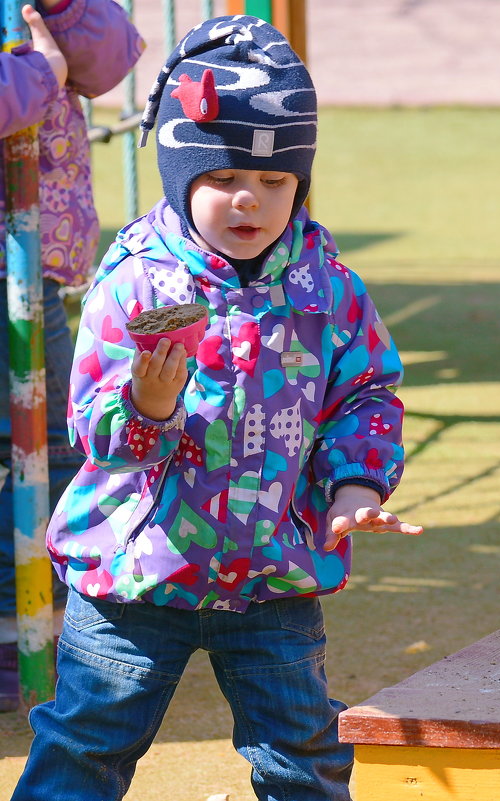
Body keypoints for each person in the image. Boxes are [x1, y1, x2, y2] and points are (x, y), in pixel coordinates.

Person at [12, 14, 422, 801]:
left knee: (304, 755)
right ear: (180, 174)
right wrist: (148, 404)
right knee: (85, 746)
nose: (250, 201)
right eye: (225, 177)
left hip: (273, 573)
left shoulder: (325, 286)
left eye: (275, 182)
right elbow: (93, 429)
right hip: (134, 574)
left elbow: (366, 393)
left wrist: (356, 485)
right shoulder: (135, 281)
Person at [0, 0, 144, 712]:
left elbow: (113, 59)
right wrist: (36, 72)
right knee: (36, 453)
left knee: (59, 446)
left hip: (38, 269)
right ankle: (15, 637)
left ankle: (43, 627)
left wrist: (62, 9)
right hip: (8, 267)